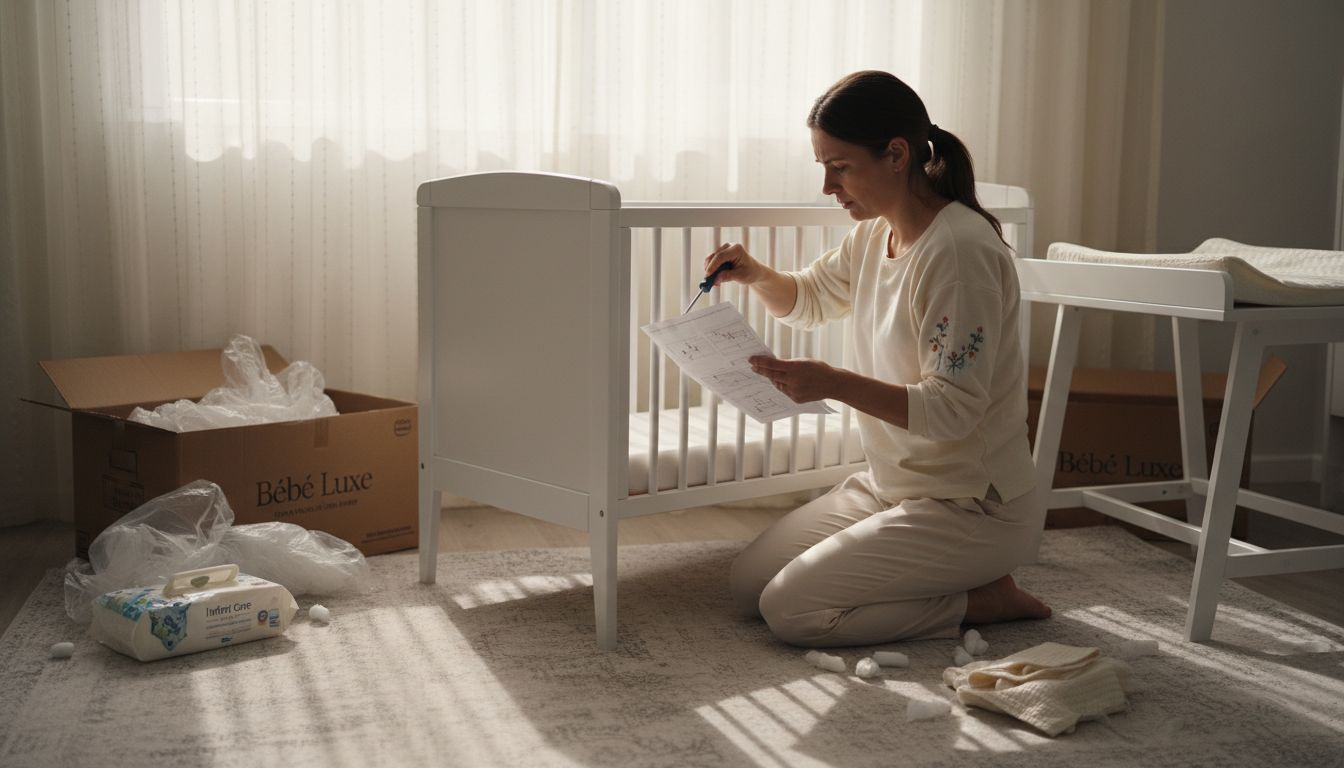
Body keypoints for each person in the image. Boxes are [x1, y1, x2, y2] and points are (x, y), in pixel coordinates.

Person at [711, 70, 1051, 648]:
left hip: (971, 505)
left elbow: (951, 413)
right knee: (747, 589)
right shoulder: (876, 235)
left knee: (791, 612)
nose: (827, 186)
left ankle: (981, 598)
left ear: (896, 154)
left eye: (839, 167)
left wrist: (834, 382)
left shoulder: (960, 253)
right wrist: (756, 274)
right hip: (892, 485)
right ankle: (934, 575)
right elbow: (810, 300)